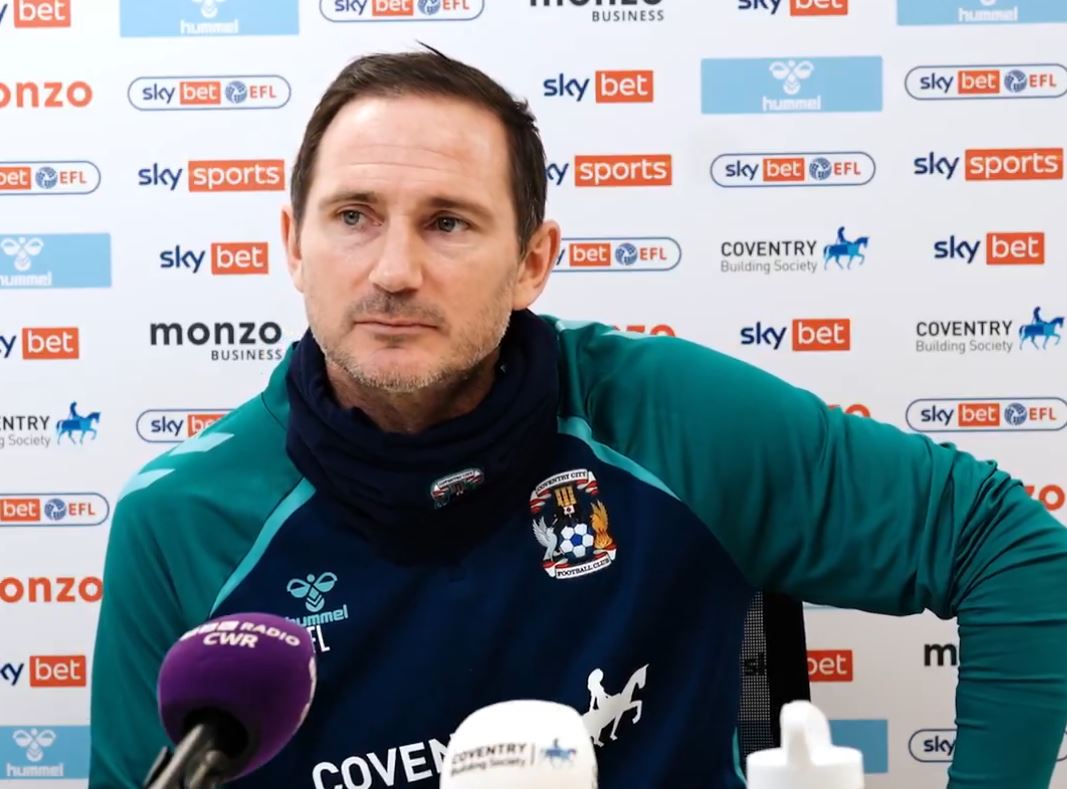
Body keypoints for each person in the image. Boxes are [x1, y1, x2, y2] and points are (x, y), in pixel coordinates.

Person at [89, 48, 1067, 788]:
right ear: (293, 244)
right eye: (353, 216)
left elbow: (1005, 544)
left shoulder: (664, 416)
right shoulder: (182, 518)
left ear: (532, 262)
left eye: (447, 222)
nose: (392, 270)